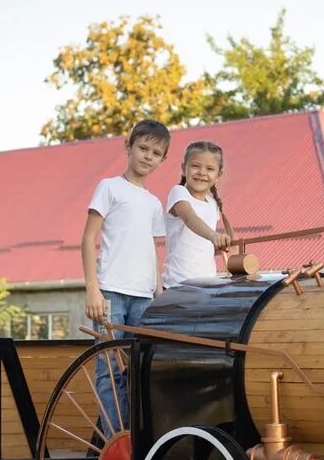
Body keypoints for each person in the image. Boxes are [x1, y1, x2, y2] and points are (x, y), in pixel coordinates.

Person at [81, 119, 170, 437]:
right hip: (110, 292)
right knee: (109, 370)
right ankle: (118, 442)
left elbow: (151, 248)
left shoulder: (153, 203)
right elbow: (89, 237)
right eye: (143, 148)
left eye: (156, 152)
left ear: (162, 160)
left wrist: (159, 291)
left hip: (144, 296)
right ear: (128, 147)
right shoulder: (109, 187)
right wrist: (93, 288)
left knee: (140, 371)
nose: (148, 156)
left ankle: (139, 436)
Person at [162, 140, 233, 289]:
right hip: (179, 284)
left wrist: (219, 246)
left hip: (207, 283)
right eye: (195, 166)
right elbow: (190, 218)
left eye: (210, 168)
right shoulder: (179, 193)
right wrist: (214, 236)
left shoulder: (213, 203)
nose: (202, 172)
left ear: (218, 174)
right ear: (183, 168)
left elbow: (200, 246)